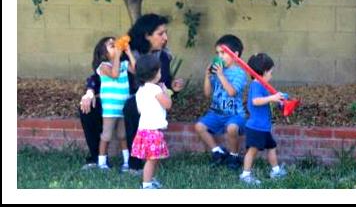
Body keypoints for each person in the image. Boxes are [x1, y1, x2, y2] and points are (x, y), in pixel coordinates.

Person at [79, 14, 184, 171]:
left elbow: (164, 87)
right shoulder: (125, 52)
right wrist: (89, 92)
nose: (166, 38)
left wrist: (174, 89)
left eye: (165, 33)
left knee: (131, 106)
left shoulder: (163, 57)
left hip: (141, 105)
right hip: (116, 101)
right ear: (147, 36)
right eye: (160, 34)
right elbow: (97, 76)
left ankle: (134, 164)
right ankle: (97, 158)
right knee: (88, 108)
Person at [194, 34, 247, 170]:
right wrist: (207, 76)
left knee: (232, 128)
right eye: (218, 53)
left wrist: (221, 75)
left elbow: (231, 92)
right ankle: (217, 151)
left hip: (235, 114)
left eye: (223, 53)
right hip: (216, 113)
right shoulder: (218, 72)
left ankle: (234, 156)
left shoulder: (239, 73)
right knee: (199, 126)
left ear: (235, 55)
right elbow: (207, 94)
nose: (220, 56)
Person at [239, 53, 287, 185]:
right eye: (271, 72)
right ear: (264, 72)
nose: (272, 74)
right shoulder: (256, 85)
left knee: (271, 147)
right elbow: (256, 101)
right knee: (252, 151)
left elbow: (266, 101)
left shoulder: (262, 85)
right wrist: (272, 98)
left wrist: (279, 99)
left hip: (264, 127)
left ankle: (275, 171)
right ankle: (245, 175)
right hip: (256, 127)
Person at [92, 36, 135, 170]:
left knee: (123, 135)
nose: (116, 47)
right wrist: (117, 55)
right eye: (112, 46)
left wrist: (128, 53)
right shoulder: (103, 67)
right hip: (110, 108)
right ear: (104, 53)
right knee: (107, 135)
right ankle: (102, 162)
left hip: (123, 108)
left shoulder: (123, 64)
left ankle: (127, 161)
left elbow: (138, 71)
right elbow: (115, 74)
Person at [131, 54, 171, 189]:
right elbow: (167, 104)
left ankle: (151, 180)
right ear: (154, 73)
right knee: (151, 160)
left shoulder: (141, 90)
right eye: (159, 70)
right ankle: (146, 185)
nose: (161, 73)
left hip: (144, 129)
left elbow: (140, 110)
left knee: (153, 159)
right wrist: (166, 92)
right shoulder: (156, 89)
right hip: (152, 131)